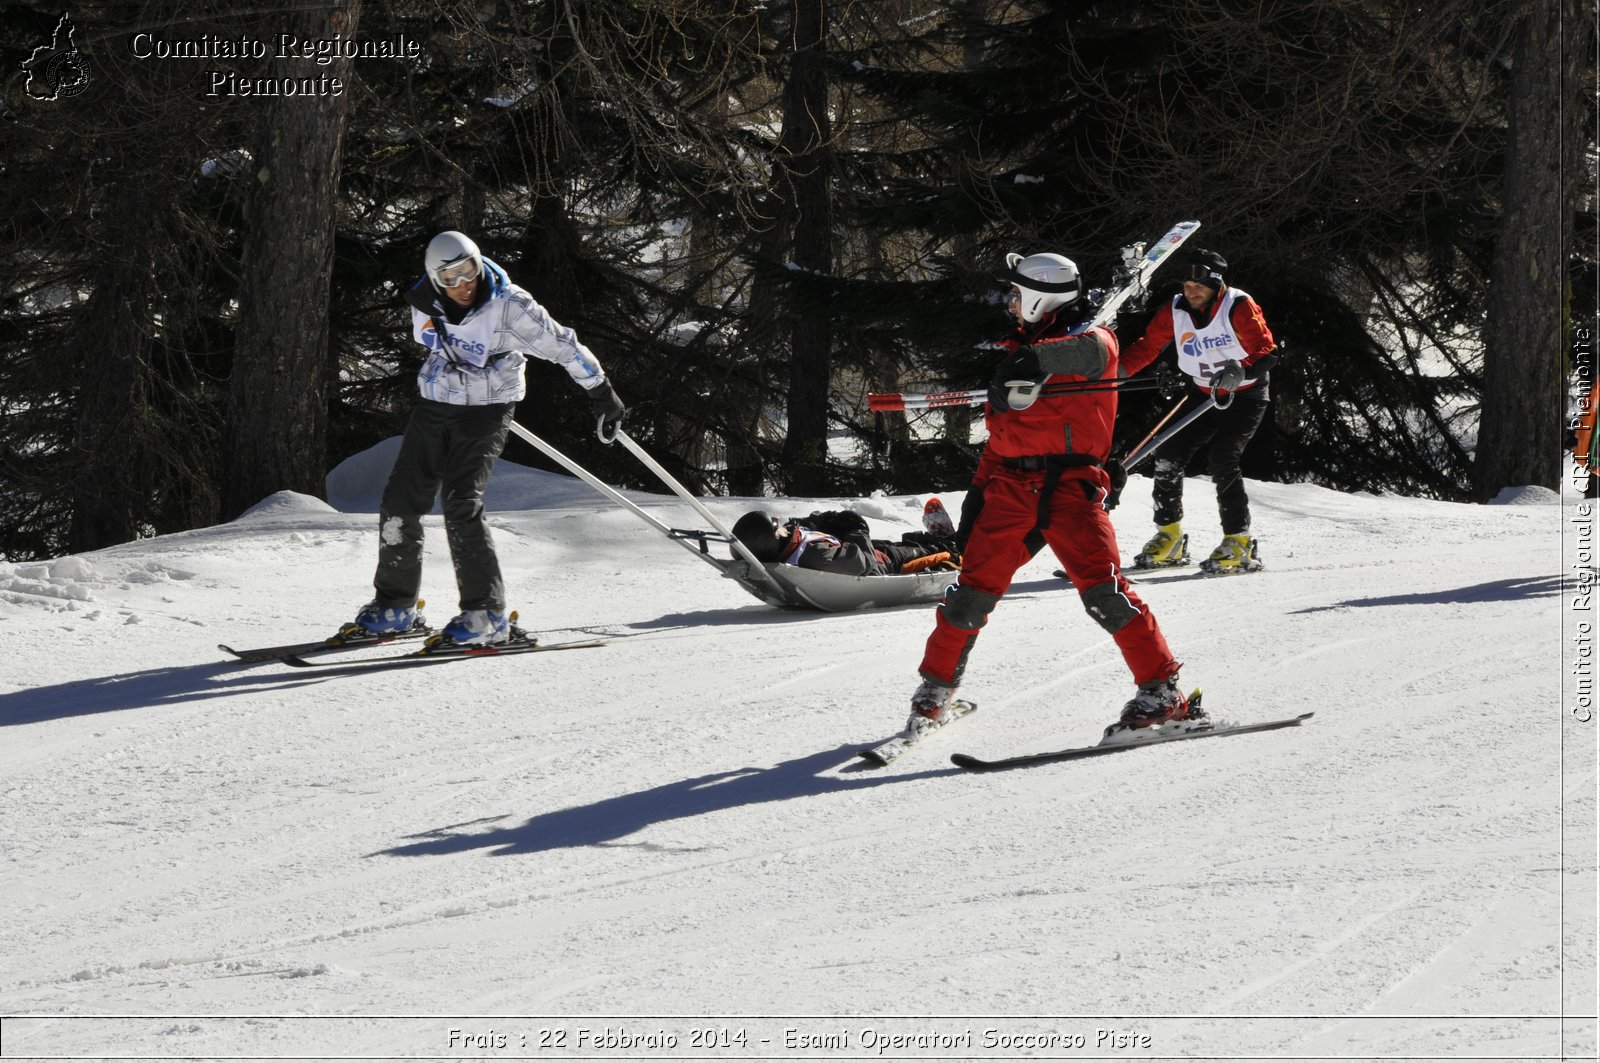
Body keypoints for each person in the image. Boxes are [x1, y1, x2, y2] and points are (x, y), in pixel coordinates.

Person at [904, 250, 1198, 740]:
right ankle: (935, 693)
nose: (1012, 302)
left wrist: (1034, 360)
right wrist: (977, 496)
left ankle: (1163, 694)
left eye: (1018, 293)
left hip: (1071, 491)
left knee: (1105, 594)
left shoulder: (1090, 341)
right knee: (967, 598)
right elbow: (1000, 442)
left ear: (1041, 295)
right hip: (1009, 490)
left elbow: (1095, 353)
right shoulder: (1019, 354)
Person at [342, 231, 627, 648]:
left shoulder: (510, 305)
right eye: (450, 278)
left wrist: (600, 392)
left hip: (488, 409)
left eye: (468, 271)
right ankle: (395, 607)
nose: (462, 284)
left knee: (461, 501)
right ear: (436, 280)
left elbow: (563, 345)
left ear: (478, 263)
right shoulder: (426, 303)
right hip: (436, 405)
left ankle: (486, 615)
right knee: (400, 500)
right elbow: (434, 343)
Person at [1121, 248, 1279, 573]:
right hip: (1202, 392)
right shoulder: (1176, 309)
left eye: (1199, 287)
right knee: (1167, 454)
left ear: (1216, 285)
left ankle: (1239, 542)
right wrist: (1117, 372)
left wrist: (1242, 371)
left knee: (1222, 459)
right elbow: (1149, 346)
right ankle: (1170, 537)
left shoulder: (1237, 305)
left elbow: (1267, 350)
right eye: (1187, 286)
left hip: (1244, 396)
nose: (1191, 292)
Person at [731, 509, 959, 576]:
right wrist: (856, 529)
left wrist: (824, 520)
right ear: (771, 540)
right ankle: (955, 546)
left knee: (901, 543)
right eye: (775, 526)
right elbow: (864, 563)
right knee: (934, 552)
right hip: (883, 564)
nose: (779, 523)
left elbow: (802, 526)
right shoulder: (814, 556)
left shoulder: (788, 542)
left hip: (873, 549)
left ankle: (936, 539)